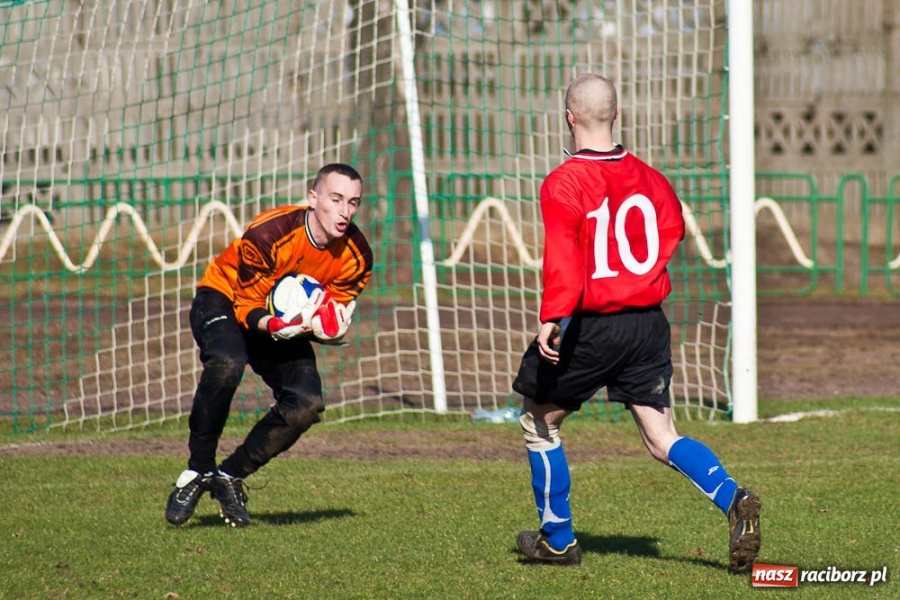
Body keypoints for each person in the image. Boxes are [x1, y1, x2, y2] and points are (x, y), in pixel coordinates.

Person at [511, 74, 761, 573]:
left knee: (539, 421)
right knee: (662, 436)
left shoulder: (564, 181)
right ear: (617, 114)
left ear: (569, 118)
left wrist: (553, 317)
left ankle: (557, 540)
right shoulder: (653, 179)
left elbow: (564, 257)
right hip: (647, 323)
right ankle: (733, 497)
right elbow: (674, 229)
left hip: (592, 324)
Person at [165, 163, 373, 527]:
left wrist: (327, 328)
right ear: (313, 198)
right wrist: (279, 326)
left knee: (306, 403)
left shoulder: (357, 257)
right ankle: (197, 470)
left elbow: (325, 314)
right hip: (225, 298)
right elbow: (246, 306)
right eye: (336, 199)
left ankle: (229, 476)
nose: (344, 211)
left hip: (280, 324)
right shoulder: (270, 232)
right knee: (228, 361)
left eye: (352, 202)